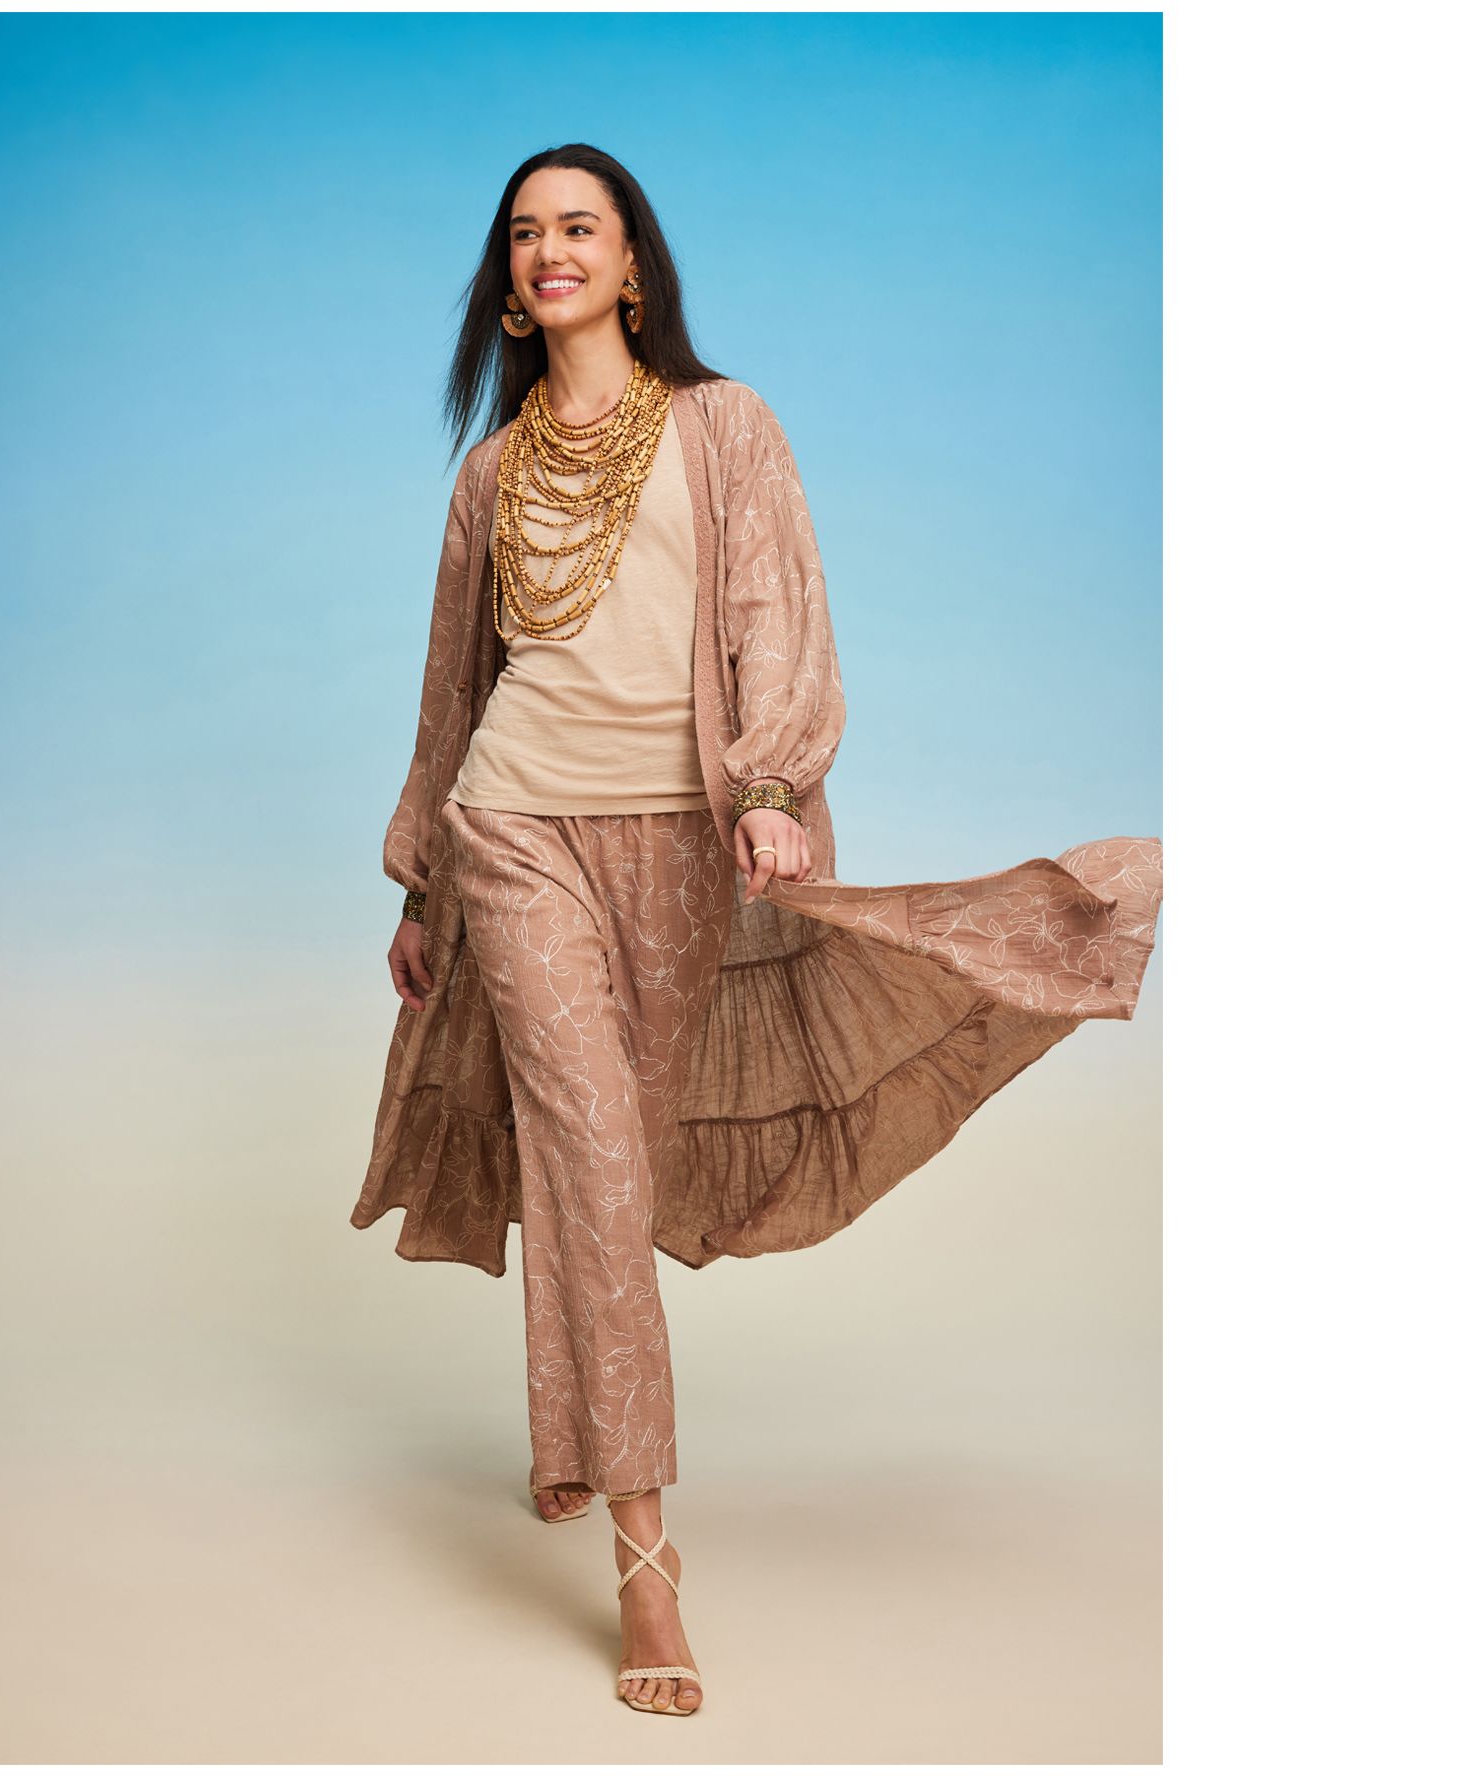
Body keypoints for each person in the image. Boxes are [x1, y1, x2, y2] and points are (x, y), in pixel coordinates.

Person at [351, 144, 1163, 1719]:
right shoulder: (489, 475)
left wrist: (777, 785)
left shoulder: (727, 427)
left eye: (578, 227)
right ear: (509, 283)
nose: (547, 251)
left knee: (618, 1153)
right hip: (512, 827)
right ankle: (648, 1563)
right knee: (589, 1146)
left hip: (677, 844)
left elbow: (776, 617)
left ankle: (569, 1428)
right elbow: (454, 690)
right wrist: (422, 884)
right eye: (523, 235)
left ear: (632, 264)